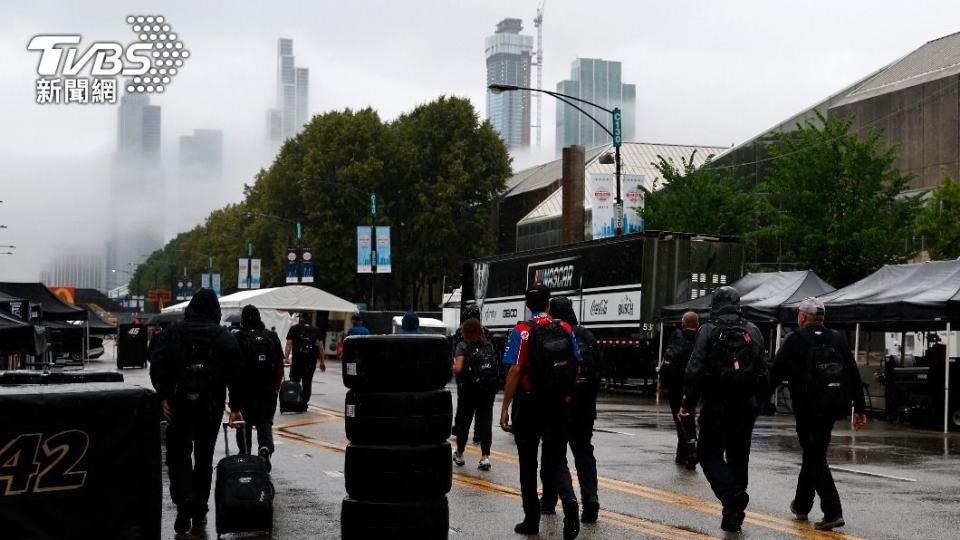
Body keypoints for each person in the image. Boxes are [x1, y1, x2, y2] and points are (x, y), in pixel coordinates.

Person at [150, 289, 244, 534]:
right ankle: (200, 510)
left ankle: (183, 503)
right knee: (204, 458)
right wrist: (234, 408)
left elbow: (157, 363)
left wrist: (163, 396)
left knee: (179, 455)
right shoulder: (223, 335)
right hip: (210, 407)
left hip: (178, 405)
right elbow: (236, 372)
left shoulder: (173, 332)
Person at [768, 297, 867, 531]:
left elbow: (775, 372)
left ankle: (833, 511)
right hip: (833, 407)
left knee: (814, 456)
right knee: (814, 453)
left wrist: (758, 402)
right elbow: (852, 374)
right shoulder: (837, 338)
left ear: (802, 317)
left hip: (807, 408)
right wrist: (860, 408)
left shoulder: (795, 339)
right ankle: (802, 505)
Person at [679, 286, 767, 533]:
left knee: (708, 454)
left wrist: (688, 404)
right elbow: (763, 371)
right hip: (745, 407)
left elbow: (693, 369)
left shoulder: (708, 329)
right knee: (739, 457)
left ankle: (731, 498)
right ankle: (733, 514)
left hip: (716, 404)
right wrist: (756, 403)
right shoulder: (753, 330)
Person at [500, 284, 582, 540]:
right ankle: (569, 501)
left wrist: (505, 407)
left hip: (529, 403)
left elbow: (515, 370)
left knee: (527, 462)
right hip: (558, 403)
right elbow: (576, 365)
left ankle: (531, 519)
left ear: (528, 305)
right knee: (556, 460)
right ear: (548, 304)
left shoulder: (522, 331)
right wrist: (565, 395)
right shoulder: (565, 328)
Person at [540, 296, 602, 524]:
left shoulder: (551, 332)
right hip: (585, 405)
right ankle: (591, 498)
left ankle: (550, 502)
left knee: (555, 454)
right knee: (584, 451)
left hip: (559, 403)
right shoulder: (587, 335)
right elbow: (598, 371)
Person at [235, 305, 285, 472]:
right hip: (267, 389)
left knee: (244, 424)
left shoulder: (239, 337)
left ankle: (245, 454)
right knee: (265, 422)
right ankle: (264, 448)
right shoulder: (271, 337)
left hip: (244, 389)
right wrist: (276, 387)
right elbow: (279, 364)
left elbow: (232, 367)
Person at [451, 318, 498, 470]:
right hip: (487, 389)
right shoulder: (488, 346)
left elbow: (458, 369)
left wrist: (452, 367)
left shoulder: (463, 346)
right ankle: (485, 457)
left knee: (465, 422)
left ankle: (459, 454)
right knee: (485, 422)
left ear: (464, 332)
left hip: (469, 389)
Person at [658, 311, 700, 469]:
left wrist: (662, 382)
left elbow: (667, 360)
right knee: (688, 416)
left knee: (679, 419)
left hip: (676, 385)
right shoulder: (700, 339)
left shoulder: (677, 337)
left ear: (683, 323)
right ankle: (682, 454)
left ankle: (690, 452)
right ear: (697, 325)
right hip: (694, 385)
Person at [285, 314, 325, 409]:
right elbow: (320, 347)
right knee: (307, 383)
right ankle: (303, 404)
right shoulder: (316, 330)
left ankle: (294, 401)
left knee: (294, 382)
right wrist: (322, 362)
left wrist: (286, 357)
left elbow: (289, 344)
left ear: (302, 319)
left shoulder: (294, 329)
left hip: (297, 361)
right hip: (310, 362)